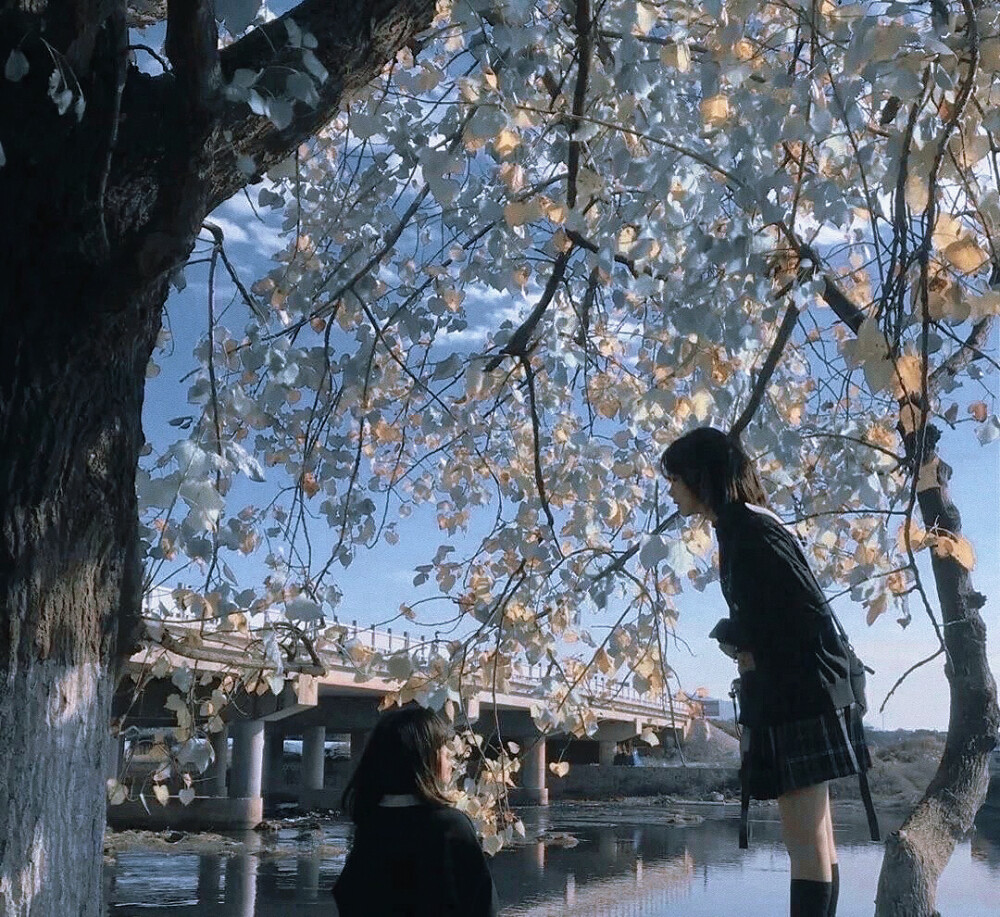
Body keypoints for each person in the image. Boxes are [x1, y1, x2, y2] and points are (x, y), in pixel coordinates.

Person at [660, 427, 876, 917]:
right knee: (816, 840)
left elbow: (801, 614)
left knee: (805, 842)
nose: (671, 488)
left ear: (700, 477)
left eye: (675, 477)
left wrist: (743, 640)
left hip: (793, 696)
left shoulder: (745, 529)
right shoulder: (756, 522)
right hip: (809, 690)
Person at [332, 704, 499, 917]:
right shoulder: (450, 826)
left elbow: (350, 897)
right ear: (422, 758)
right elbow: (484, 905)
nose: (449, 755)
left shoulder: (371, 824)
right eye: (442, 746)